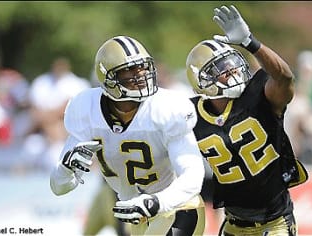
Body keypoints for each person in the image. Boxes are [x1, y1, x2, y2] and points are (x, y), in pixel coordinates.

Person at [50, 35, 205, 235]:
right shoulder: (86, 109)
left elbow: (192, 176)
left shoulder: (167, 107)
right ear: (107, 77)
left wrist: (158, 202)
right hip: (137, 215)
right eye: (128, 70)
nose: (139, 74)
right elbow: (59, 187)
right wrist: (64, 169)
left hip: (179, 207)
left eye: (142, 67)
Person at [185, 5, 308, 236]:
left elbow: (284, 78)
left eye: (231, 62)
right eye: (221, 67)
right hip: (233, 223)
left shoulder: (259, 95)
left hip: (275, 221)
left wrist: (250, 43)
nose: (232, 70)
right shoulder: (189, 113)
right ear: (202, 79)